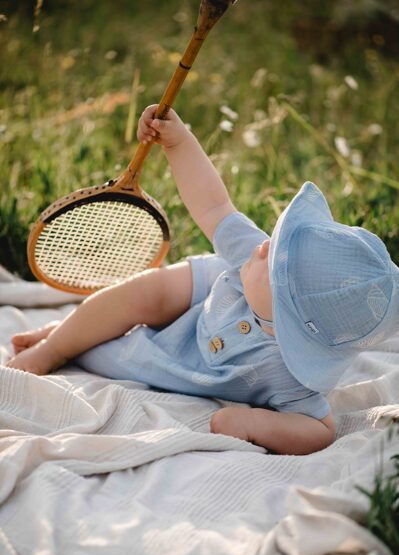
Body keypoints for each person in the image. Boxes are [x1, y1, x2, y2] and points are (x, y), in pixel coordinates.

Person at [5, 106, 399, 455]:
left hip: (185, 358)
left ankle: (76, 334)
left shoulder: (293, 378)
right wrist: (179, 142)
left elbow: (322, 431)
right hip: (201, 295)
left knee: (118, 356)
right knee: (143, 294)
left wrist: (254, 425)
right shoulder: (250, 252)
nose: (264, 248)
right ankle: (55, 347)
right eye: (275, 243)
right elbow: (213, 203)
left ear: (290, 319)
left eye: (275, 261)